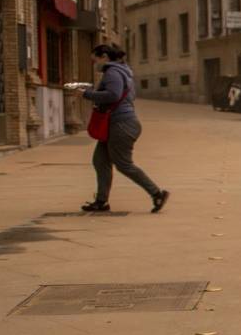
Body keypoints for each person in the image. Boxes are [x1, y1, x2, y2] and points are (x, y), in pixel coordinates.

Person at [70, 43, 169, 213]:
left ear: (105, 57)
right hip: (117, 124)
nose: (95, 64)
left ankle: (157, 193)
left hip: (121, 124)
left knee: (124, 164)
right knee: (100, 161)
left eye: (95, 60)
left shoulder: (113, 72)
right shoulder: (123, 71)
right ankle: (101, 201)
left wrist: (86, 94)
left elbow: (113, 95)